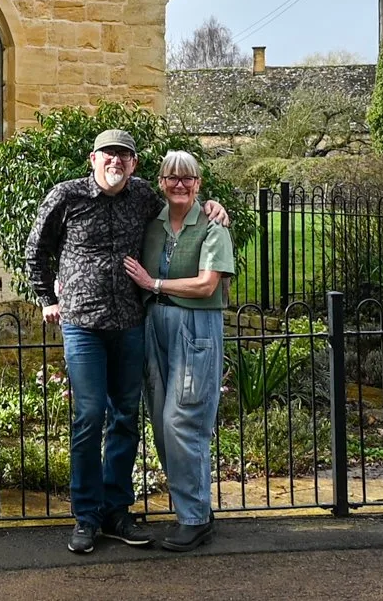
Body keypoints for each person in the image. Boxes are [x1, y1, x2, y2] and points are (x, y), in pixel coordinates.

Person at [26, 128, 229, 554]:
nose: (116, 161)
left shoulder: (143, 197)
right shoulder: (66, 196)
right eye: (108, 154)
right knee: (88, 416)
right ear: (93, 159)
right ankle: (86, 516)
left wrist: (214, 206)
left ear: (134, 164)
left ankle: (116, 511)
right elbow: (36, 249)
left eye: (124, 155)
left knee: (125, 418)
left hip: (130, 325)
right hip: (83, 325)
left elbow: (182, 206)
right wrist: (47, 298)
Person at [124, 148, 235, 552]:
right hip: (155, 327)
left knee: (182, 421)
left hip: (195, 329)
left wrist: (153, 284)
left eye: (187, 177)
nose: (179, 184)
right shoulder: (151, 223)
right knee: (161, 422)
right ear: (161, 182)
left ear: (199, 183)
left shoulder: (212, 225)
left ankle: (194, 519)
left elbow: (206, 285)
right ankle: (196, 508)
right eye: (172, 176)